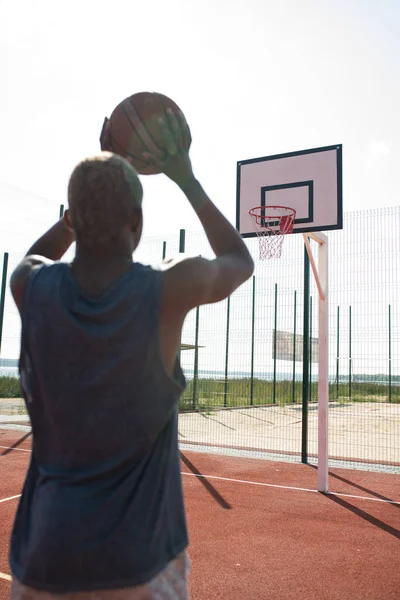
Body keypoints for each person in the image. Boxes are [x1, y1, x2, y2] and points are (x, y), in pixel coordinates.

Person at [8, 111, 254, 599]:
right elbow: (240, 260)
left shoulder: (29, 286)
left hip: (44, 558)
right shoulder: (168, 287)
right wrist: (186, 179)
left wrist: (78, 210)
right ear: (137, 224)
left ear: (73, 218)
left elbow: (31, 258)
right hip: (138, 566)